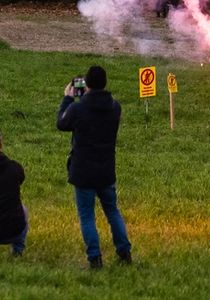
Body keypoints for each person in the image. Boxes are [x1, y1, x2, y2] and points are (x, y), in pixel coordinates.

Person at [57, 65, 132, 269]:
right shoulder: (115, 107)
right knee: (112, 211)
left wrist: (68, 98)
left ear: (86, 85)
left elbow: (61, 124)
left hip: (83, 171)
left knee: (87, 216)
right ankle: (124, 251)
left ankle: (95, 257)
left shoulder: (78, 108)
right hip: (106, 169)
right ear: (105, 83)